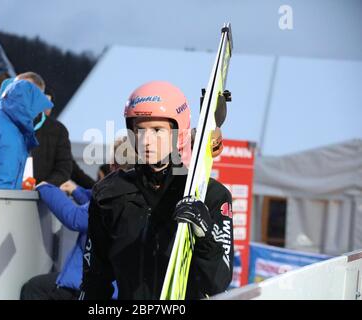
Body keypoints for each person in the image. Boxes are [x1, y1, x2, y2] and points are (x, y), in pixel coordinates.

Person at [80, 81, 234, 300]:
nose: (146, 141)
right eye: (139, 130)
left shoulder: (211, 195)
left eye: (157, 130)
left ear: (178, 132)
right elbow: (95, 277)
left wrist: (205, 237)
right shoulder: (109, 194)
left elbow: (218, 282)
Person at [19, 137, 132, 300]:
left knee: (33, 288)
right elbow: (95, 206)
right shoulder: (134, 193)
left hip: (92, 285)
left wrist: (45, 187)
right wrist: (77, 191)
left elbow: (76, 218)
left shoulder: (113, 198)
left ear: (115, 167)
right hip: (118, 286)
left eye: (111, 163)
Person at [31, 86, 73, 186]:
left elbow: (65, 167)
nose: (44, 107)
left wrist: (45, 187)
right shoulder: (13, 123)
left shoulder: (58, 130)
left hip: (43, 195)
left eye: (48, 103)